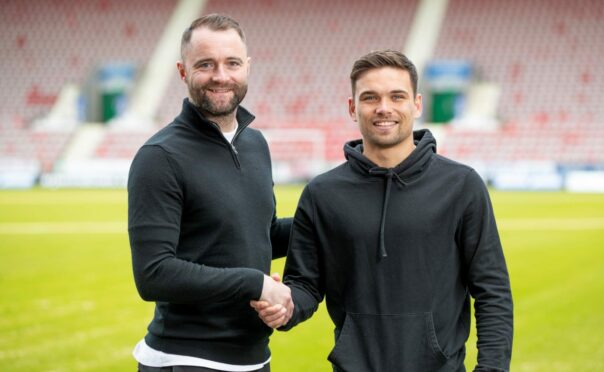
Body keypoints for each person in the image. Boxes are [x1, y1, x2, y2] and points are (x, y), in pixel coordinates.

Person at [252, 50, 513, 371]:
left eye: (397, 96)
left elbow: (493, 292)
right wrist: (285, 306)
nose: (384, 108)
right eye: (370, 97)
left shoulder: (461, 185)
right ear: (352, 107)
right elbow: (305, 285)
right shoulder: (322, 194)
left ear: (417, 104)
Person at [128, 14, 293, 372]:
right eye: (206, 64)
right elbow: (153, 273)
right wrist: (254, 283)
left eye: (232, 63)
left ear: (247, 67)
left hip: (253, 357)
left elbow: (259, 235)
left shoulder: (255, 144)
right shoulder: (159, 157)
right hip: (187, 360)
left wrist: (330, 215)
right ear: (183, 71)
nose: (221, 76)